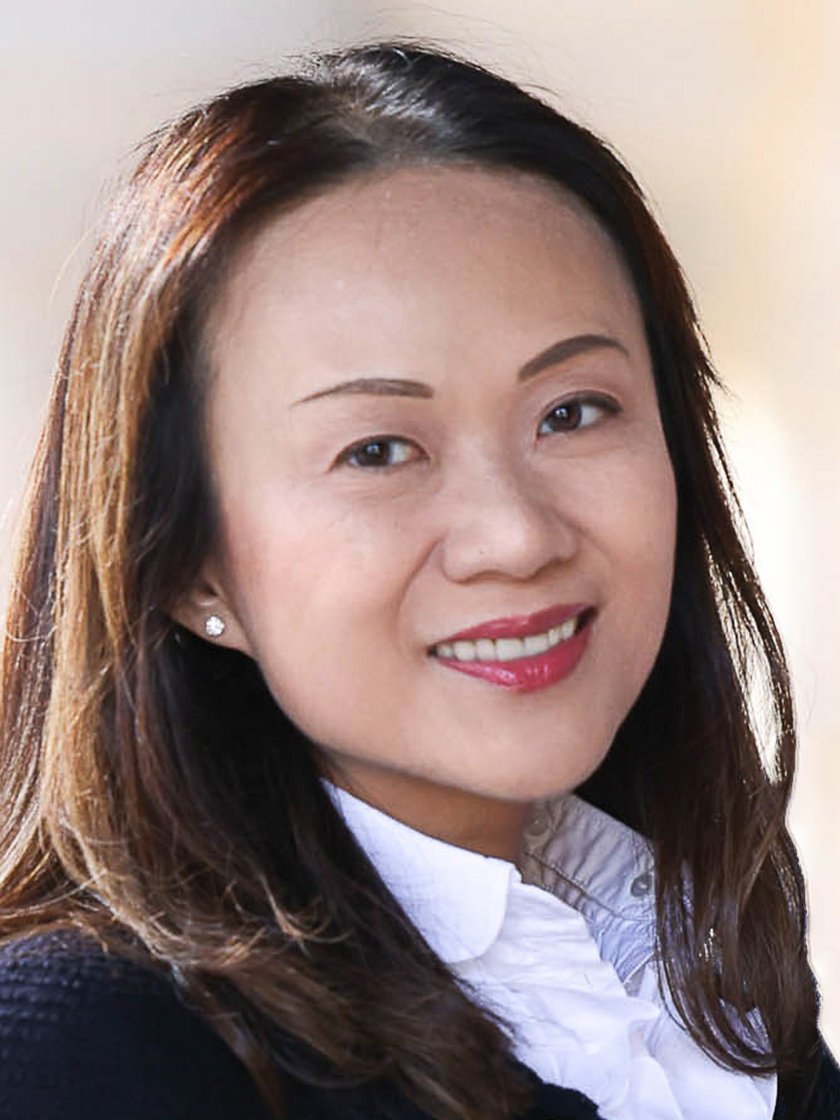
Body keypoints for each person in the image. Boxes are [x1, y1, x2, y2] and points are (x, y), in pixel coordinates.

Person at [0, 40, 836, 1120]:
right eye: (379, 450)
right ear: (188, 566)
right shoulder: (77, 1053)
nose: (515, 537)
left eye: (572, 411)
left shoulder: (691, 973)